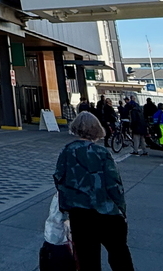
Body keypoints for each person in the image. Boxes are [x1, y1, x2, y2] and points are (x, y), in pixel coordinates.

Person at [53, 111, 134, 271]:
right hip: (107, 211)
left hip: (80, 214)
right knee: (120, 256)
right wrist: (121, 209)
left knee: (87, 260)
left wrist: (66, 206)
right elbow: (114, 183)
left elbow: (59, 179)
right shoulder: (102, 152)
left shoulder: (67, 151)